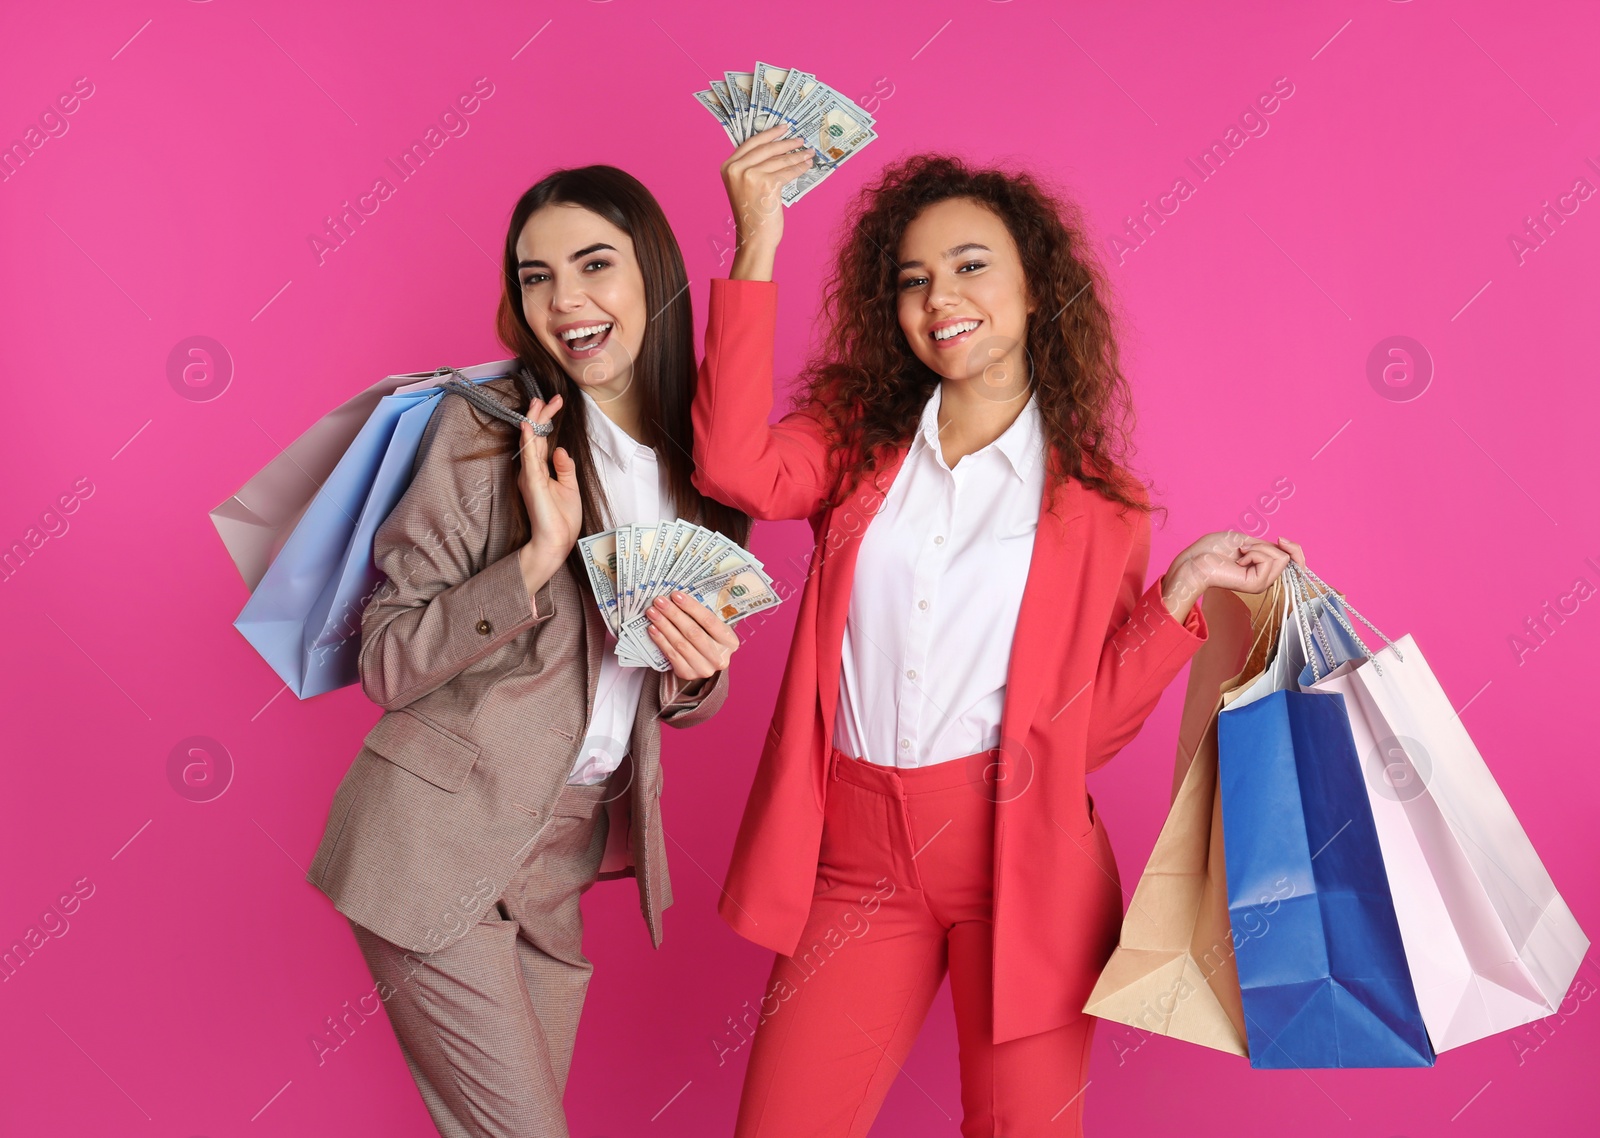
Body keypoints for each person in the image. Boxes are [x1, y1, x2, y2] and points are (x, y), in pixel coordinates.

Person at [692, 131, 1306, 1138]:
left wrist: (1182, 587)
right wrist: (756, 237)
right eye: (913, 279)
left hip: (1021, 857)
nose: (940, 297)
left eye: (971, 266)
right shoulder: (855, 435)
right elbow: (733, 469)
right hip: (854, 856)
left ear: (1033, 292)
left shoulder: (1103, 502)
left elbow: (1087, 731)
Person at [306, 165, 748, 1138]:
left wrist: (700, 673)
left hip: (564, 855)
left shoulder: (704, 466)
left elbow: (675, 685)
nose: (565, 300)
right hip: (432, 838)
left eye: (594, 264)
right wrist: (536, 559)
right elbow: (384, 659)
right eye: (535, 275)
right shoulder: (487, 429)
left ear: (655, 275)